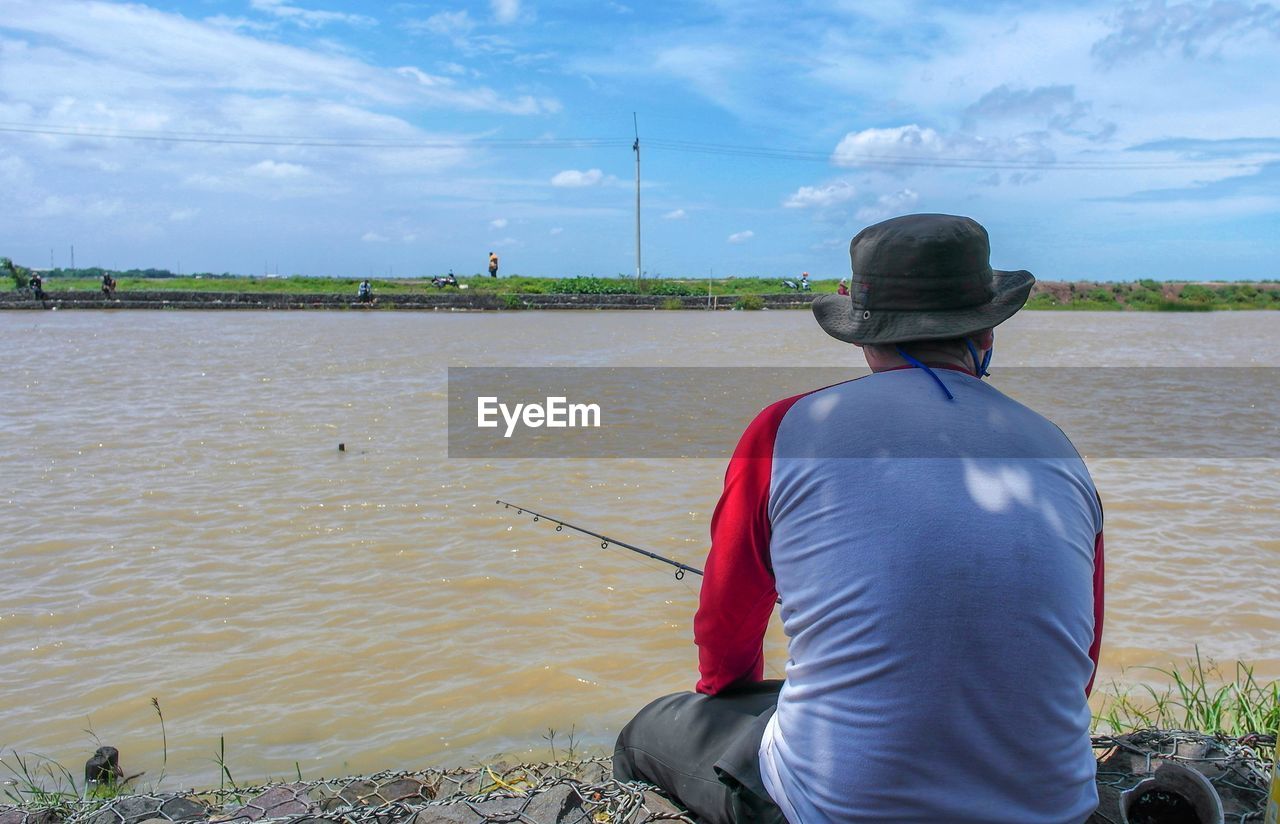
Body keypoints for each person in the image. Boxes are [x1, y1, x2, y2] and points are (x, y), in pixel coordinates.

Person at [613, 213, 1104, 824]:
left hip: (836, 809)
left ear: (863, 336)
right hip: (1054, 805)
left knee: (644, 733)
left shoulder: (786, 429)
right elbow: (1080, 654)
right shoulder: (1059, 448)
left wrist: (725, 692)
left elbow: (727, 622)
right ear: (988, 335)